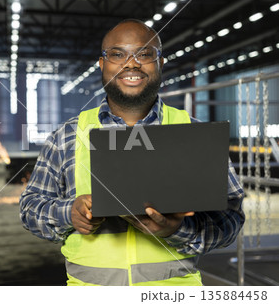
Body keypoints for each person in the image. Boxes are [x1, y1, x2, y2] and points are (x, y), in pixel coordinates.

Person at [19, 19, 245, 286]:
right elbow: (30, 208)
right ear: (102, 64)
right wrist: (69, 213)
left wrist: (178, 230)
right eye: (117, 54)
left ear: (160, 63)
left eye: (144, 54)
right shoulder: (67, 136)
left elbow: (231, 216)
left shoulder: (194, 133)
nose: (131, 63)